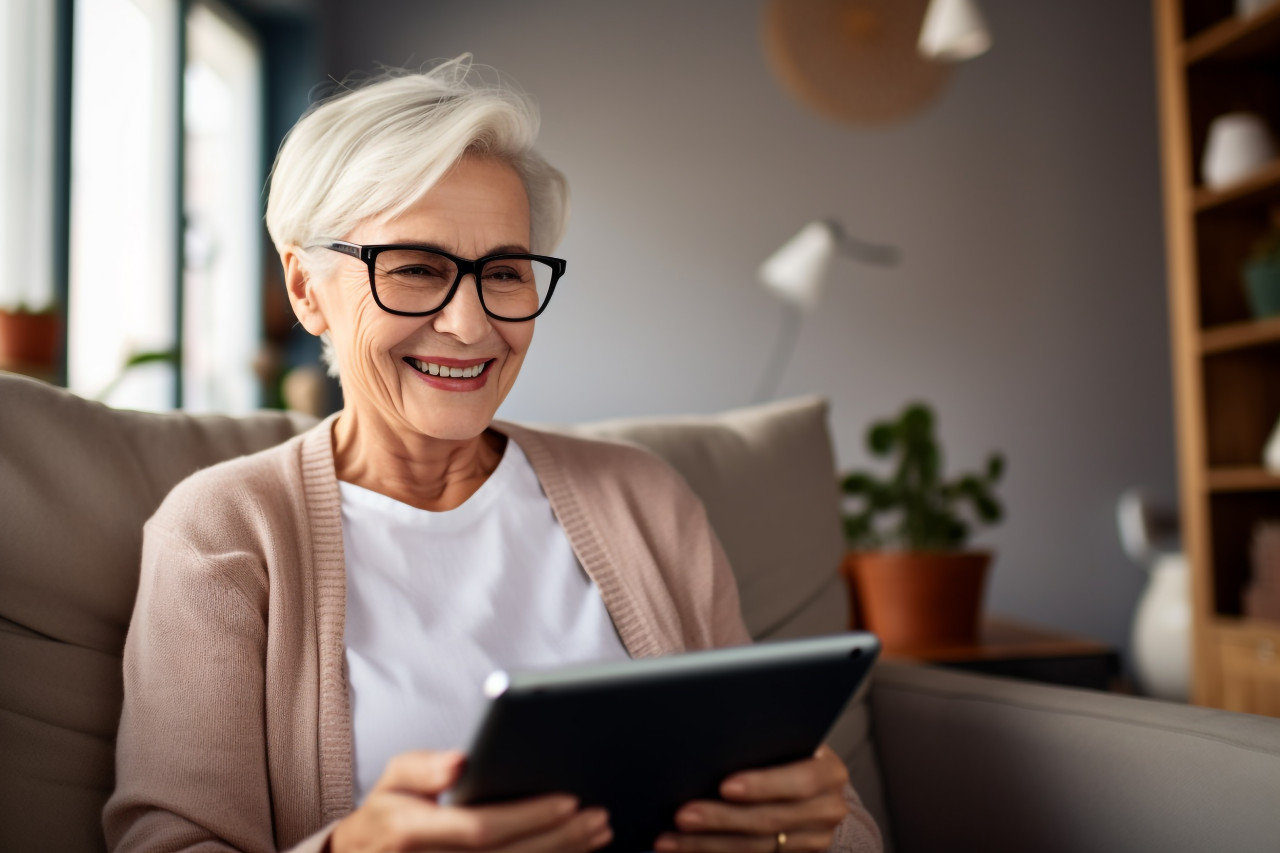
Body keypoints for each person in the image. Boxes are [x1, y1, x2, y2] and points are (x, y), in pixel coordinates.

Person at [103, 56, 883, 853]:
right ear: (307, 290)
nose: (471, 326)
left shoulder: (644, 500)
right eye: (415, 269)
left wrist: (801, 831)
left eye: (504, 273)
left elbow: (843, 824)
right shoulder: (222, 531)